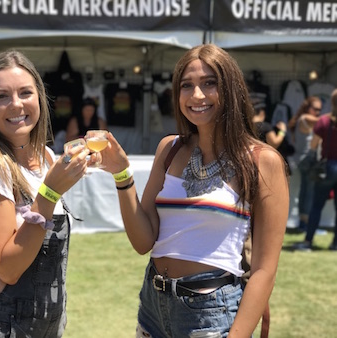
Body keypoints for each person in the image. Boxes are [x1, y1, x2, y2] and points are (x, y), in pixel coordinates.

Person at [100, 44, 289, 337]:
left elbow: (265, 270)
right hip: (153, 306)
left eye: (209, 83)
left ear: (231, 88)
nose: (196, 95)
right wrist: (121, 174)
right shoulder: (169, 148)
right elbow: (142, 242)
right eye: (186, 85)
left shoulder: (262, 161)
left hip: (212, 314)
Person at [0, 50, 89, 337]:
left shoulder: (45, 155)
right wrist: (49, 192)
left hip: (47, 322)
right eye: (1, 96)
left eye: (25, 93)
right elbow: (8, 269)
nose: (16, 104)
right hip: (2, 323)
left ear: (40, 99)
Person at [293, 89, 337, 251]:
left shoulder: (324, 122)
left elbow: (313, 145)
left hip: (328, 167)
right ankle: (335, 244)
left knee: (316, 205)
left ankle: (308, 241)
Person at [288, 96, 322, 231]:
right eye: (316, 109)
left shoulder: (303, 119)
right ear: (308, 108)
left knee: (305, 192)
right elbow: (324, 121)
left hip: (301, 161)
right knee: (308, 193)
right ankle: (305, 223)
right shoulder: (304, 118)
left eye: (320, 109)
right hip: (304, 161)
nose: (318, 112)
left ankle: (303, 222)